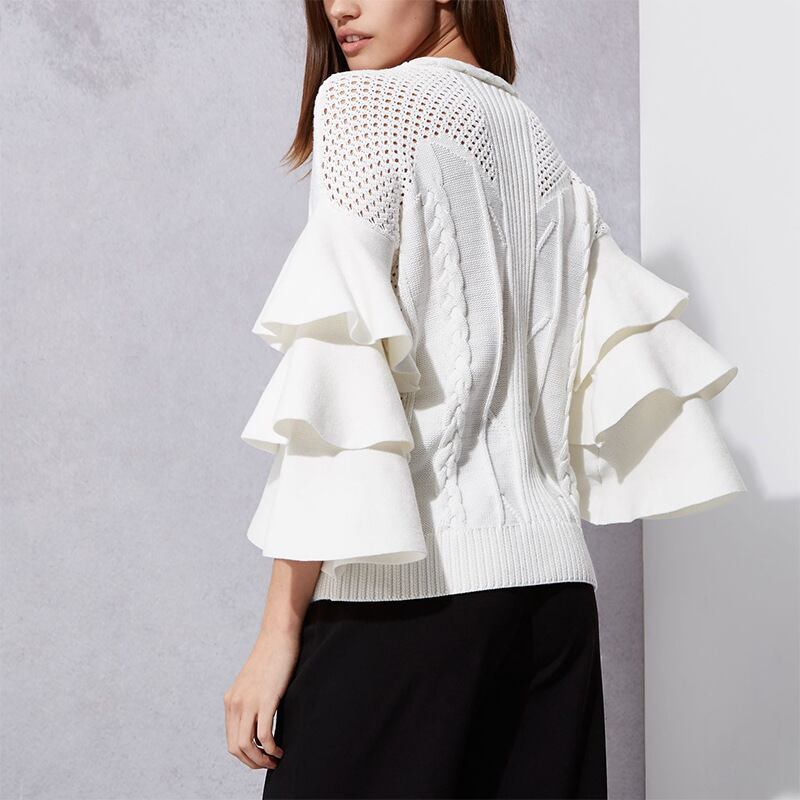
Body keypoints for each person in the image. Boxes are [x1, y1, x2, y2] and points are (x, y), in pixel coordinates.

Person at [223, 0, 747, 797]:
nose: (339, 8)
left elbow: (341, 374)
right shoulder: (539, 145)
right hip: (553, 606)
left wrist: (276, 634)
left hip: (409, 608)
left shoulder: (363, 105)